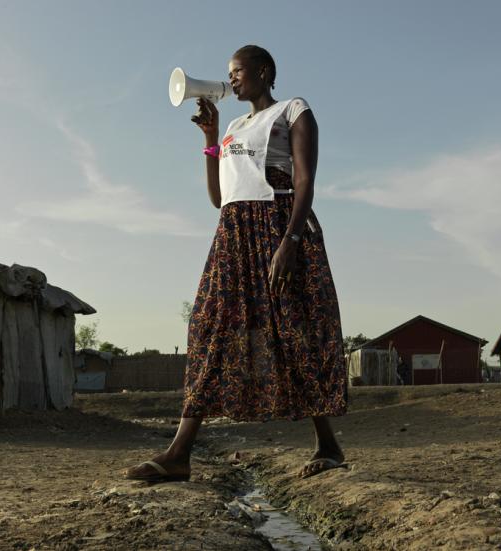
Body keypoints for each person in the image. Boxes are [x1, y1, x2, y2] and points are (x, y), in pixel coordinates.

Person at [125, 45, 347, 482]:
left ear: (264, 72)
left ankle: (328, 445)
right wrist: (210, 139)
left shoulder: (293, 110)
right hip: (233, 233)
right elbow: (218, 198)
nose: (233, 79)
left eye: (238, 71)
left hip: (278, 226)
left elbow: (305, 180)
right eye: (230, 73)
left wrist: (291, 241)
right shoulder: (233, 125)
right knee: (208, 326)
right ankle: (179, 453)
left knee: (293, 328)